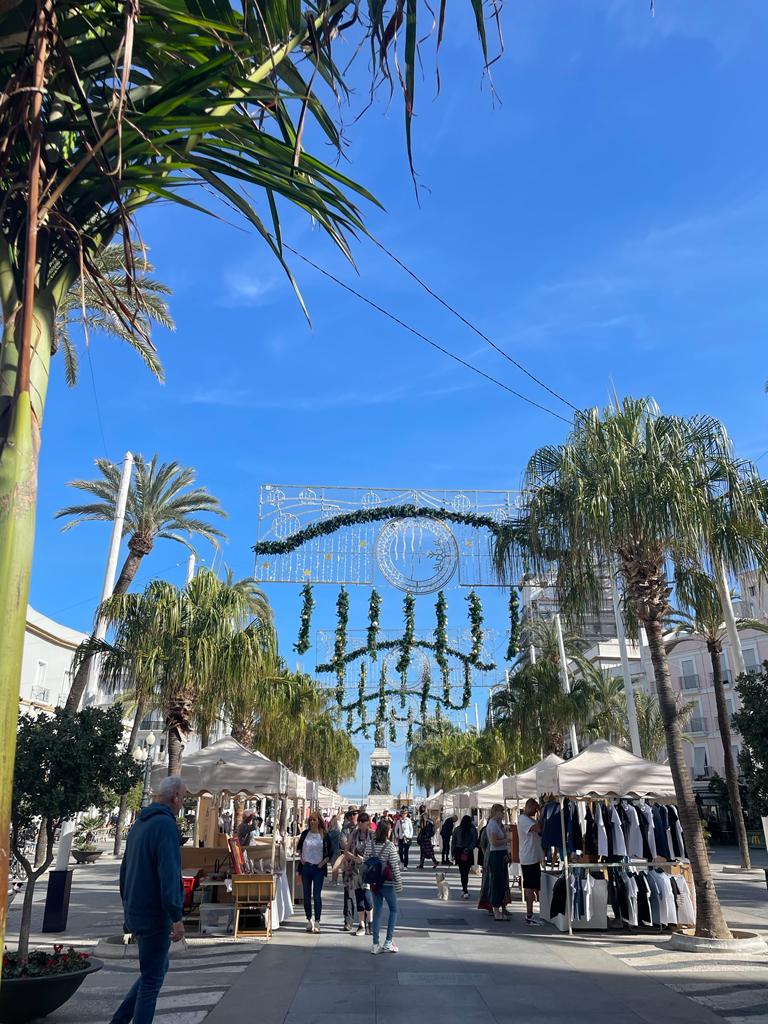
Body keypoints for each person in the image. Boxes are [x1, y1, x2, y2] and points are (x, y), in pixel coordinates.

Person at [109, 776, 187, 1024]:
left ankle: (119, 1020)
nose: (182, 803)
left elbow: (124, 871)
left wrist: (127, 909)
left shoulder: (139, 825)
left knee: (155, 969)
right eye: (183, 798)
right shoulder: (165, 826)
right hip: (155, 914)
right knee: (152, 980)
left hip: (136, 910)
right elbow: (170, 873)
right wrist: (176, 916)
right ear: (174, 797)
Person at [361, 819, 403, 954]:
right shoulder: (390, 846)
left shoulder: (370, 844)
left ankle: (375, 944)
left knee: (377, 912)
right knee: (394, 909)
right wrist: (399, 885)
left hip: (374, 884)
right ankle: (388, 942)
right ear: (387, 831)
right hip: (387, 884)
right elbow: (395, 867)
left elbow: (365, 862)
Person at [297, 812, 332, 933]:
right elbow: (299, 848)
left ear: (319, 821)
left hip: (318, 869)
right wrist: (301, 859)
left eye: (314, 820)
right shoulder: (305, 834)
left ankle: (317, 921)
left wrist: (322, 863)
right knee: (306, 896)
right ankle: (309, 919)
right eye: (311, 820)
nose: (312, 822)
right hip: (306, 868)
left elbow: (330, 852)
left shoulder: (324, 835)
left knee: (316, 896)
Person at [343, 811, 374, 936]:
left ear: (368, 823)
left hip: (368, 870)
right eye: (360, 822)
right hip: (355, 870)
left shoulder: (372, 835)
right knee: (358, 896)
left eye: (363, 822)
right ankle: (361, 924)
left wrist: (365, 860)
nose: (361, 825)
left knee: (367, 897)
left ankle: (370, 922)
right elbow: (346, 851)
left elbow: (376, 853)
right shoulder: (354, 834)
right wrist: (354, 858)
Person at [517, 799, 544, 926]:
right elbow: (538, 828)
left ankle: (532, 914)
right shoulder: (523, 819)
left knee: (534, 886)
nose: (535, 811)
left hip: (533, 857)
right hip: (529, 858)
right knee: (529, 887)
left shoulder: (529, 819)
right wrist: (541, 812)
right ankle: (529, 915)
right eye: (534, 809)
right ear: (529, 806)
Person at [486, 803, 511, 921]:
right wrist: (507, 840)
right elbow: (494, 842)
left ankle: (498, 907)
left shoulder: (498, 825)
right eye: (502, 812)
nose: (503, 814)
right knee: (497, 881)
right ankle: (496, 910)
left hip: (501, 854)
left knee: (501, 882)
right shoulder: (492, 825)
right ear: (496, 812)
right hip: (496, 855)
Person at [451, 814, 478, 900]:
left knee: (462, 872)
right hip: (468, 853)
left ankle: (464, 889)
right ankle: (465, 889)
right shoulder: (472, 830)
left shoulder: (457, 829)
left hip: (459, 851)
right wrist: (469, 849)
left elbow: (453, 842)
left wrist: (453, 853)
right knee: (466, 872)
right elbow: (474, 841)